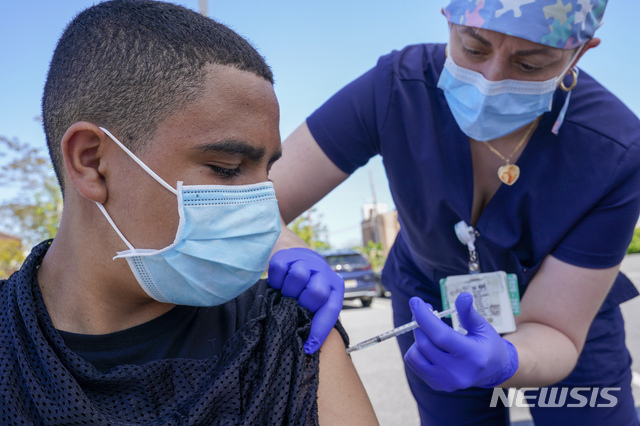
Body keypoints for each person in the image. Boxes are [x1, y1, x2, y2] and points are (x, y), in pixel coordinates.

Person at [0, 1, 379, 424]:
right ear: (91, 162)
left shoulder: (285, 339)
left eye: (267, 172)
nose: (263, 205)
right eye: (226, 169)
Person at [269, 0, 640, 424]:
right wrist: (285, 247)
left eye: (530, 64)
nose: (491, 79)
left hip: (569, 320)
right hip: (433, 311)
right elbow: (260, 198)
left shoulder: (615, 149)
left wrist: (507, 361)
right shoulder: (396, 87)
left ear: (580, 52)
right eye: (474, 48)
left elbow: (556, 330)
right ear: (449, 21)